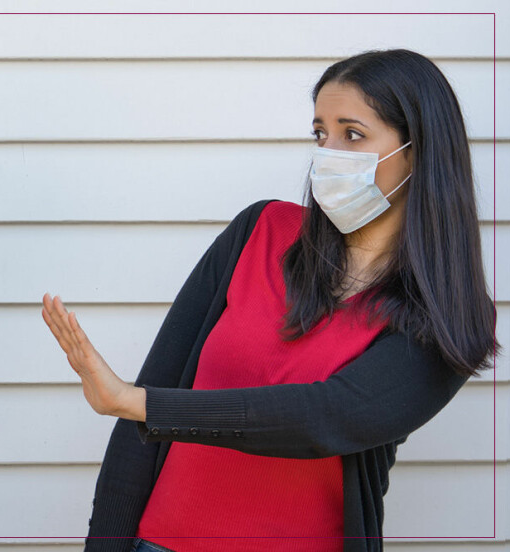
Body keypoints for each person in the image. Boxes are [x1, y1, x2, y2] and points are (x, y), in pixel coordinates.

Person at [41, 49, 497, 552]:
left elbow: (327, 417)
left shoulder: (447, 314)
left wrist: (138, 403)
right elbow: (149, 410)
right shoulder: (260, 231)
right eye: (320, 134)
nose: (329, 154)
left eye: (352, 135)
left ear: (417, 150)